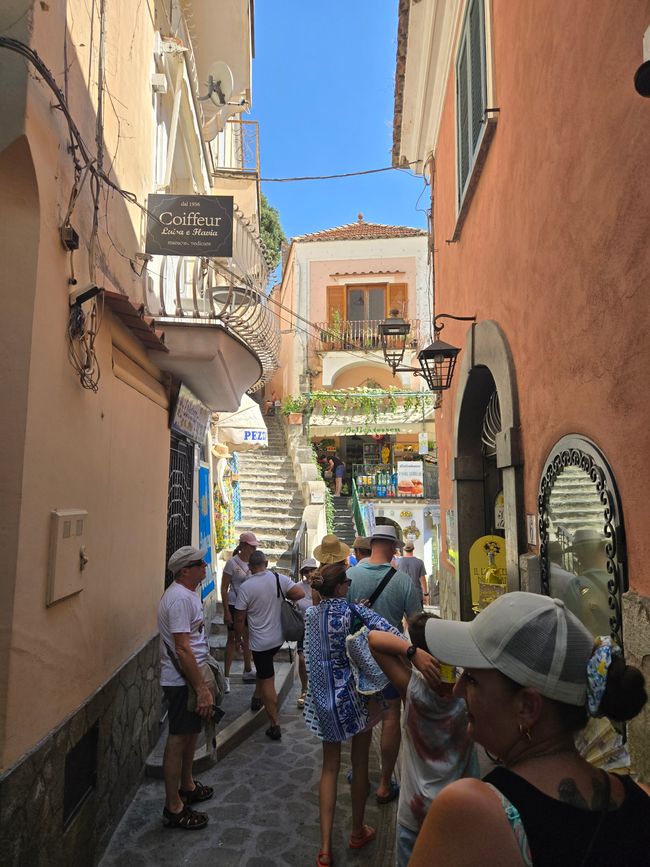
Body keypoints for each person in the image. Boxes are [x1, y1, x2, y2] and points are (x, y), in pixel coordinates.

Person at [410, 592, 650, 866]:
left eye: (473, 679)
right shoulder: (640, 801)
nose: (458, 688)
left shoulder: (468, 810)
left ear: (527, 707)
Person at [303, 563, 406, 866]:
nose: (349, 586)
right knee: (360, 764)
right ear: (338, 588)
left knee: (329, 768)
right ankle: (357, 830)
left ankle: (324, 848)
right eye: (346, 583)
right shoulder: (353, 613)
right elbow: (391, 633)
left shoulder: (311, 615)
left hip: (323, 701)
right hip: (356, 699)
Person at [369, 613, 480, 866]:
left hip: (415, 814)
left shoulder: (412, 690)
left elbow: (373, 640)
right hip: (461, 810)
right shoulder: (467, 690)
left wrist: (411, 653)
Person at [347, 524, 422, 804]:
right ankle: (383, 784)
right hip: (390, 660)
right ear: (392, 548)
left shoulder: (349, 576)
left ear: (372, 544)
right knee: (391, 716)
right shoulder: (402, 581)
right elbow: (416, 622)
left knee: (361, 716)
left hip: (356, 659)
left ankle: (360, 773)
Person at [158, 546, 215, 830]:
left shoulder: (188, 593)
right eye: (199, 563)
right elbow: (182, 648)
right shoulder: (179, 598)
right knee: (179, 738)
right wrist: (201, 688)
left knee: (191, 733)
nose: (205, 566)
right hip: (182, 680)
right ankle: (174, 806)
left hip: (190, 677)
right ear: (185, 571)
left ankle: (187, 784)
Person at [234, 550, 304, 740]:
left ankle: (274, 724)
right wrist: (282, 598)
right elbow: (299, 592)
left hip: (260, 643)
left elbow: (239, 618)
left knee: (268, 680)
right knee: (264, 669)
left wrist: (239, 638)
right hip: (277, 639)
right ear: (266, 562)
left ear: (250, 566)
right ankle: (257, 697)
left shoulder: (246, 587)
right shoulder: (277, 578)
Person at [220, 531, 259, 692]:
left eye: (255, 546)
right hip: (234, 604)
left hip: (249, 606)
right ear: (243, 545)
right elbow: (224, 588)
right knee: (232, 639)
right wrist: (226, 612)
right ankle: (226, 677)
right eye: (252, 546)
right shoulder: (232, 563)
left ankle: (248, 669)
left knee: (248, 637)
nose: (254, 549)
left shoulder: (254, 562)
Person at [294, 557, 318, 708]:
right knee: (302, 660)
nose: (309, 573)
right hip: (303, 628)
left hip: (318, 628)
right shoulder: (297, 587)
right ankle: (304, 689)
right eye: (306, 571)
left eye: (312, 570)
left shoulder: (321, 587)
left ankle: (315, 691)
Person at [396, 542, 428, 606]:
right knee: (418, 615)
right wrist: (425, 594)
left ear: (404, 549)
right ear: (414, 549)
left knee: (404, 616)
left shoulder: (398, 562)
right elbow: (423, 580)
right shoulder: (419, 562)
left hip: (402, 594)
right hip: (416, 595)